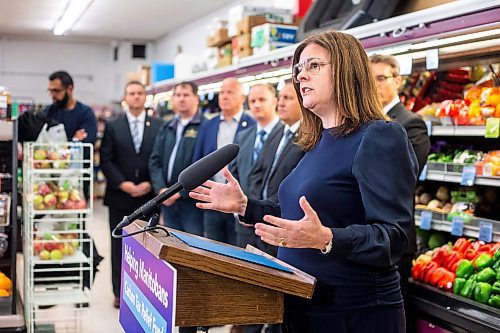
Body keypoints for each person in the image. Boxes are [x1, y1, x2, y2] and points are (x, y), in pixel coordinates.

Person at [190, 31, 418, 333]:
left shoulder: (379, 136)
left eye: (313, 66)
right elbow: (298, 214)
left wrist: (327, 239)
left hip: (354, 314)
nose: (300, 77)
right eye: (298, 69)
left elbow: (396, 235)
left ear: (346, 70)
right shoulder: (318, 140)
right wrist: (246, 206)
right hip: (303, 306)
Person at [369, 54, 430, 333]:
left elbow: (404, 176)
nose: (375, 85)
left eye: (381, 78)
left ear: (398, 81)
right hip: (367, 239)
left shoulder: (410, 123)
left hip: (395, 239)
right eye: (370, 79)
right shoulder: (366, 122)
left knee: (394, 319)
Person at [100, 80, 162, 308]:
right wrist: (123, 184)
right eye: (131, 93)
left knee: (147, 245)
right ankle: (120, 291)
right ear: (126, 98)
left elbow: (159, 158)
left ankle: (144, 289)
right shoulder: (113, 125)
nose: (136, 97)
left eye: (139, 93)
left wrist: (150, 183)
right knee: (119, 245)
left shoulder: (157, 125)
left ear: (145, 97)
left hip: (149, 197)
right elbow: (105, 159)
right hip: (119, 196)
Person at [192, 77, 256, 246]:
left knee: (237, 252)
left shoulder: (252, 125)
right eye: (222, 92)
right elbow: (198, 159)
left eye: (230, 92)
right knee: (212, 249)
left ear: (242, 98)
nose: (224, 96)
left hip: (239, 201)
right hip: (213, 199)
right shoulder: (208, 125)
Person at [149, 81, 205, 236]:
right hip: (167, 201)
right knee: (171, 247)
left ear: (196, 98)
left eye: (186, 95)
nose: (181, 99)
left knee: (193, 250)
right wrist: (162, 190)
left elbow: (205, 167)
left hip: (192, 205)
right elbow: (155, 160)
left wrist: (180, 193)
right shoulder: (167, 127)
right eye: (177, 95)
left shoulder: (205, 127)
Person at [257, 80, 304, 204]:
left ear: (302, 102)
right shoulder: (276, 133)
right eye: (280, 97)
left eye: (288, 98)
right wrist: (254, 204)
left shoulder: (309, 137)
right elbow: (257, 172)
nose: (281, 103)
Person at [44, 70, 97, 144]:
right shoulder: (47, 112)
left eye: (56, 91)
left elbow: (87, 144)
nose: (52, 95)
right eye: (50, 91)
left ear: (70, 89)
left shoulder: (85, 113)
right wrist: (73, 140)